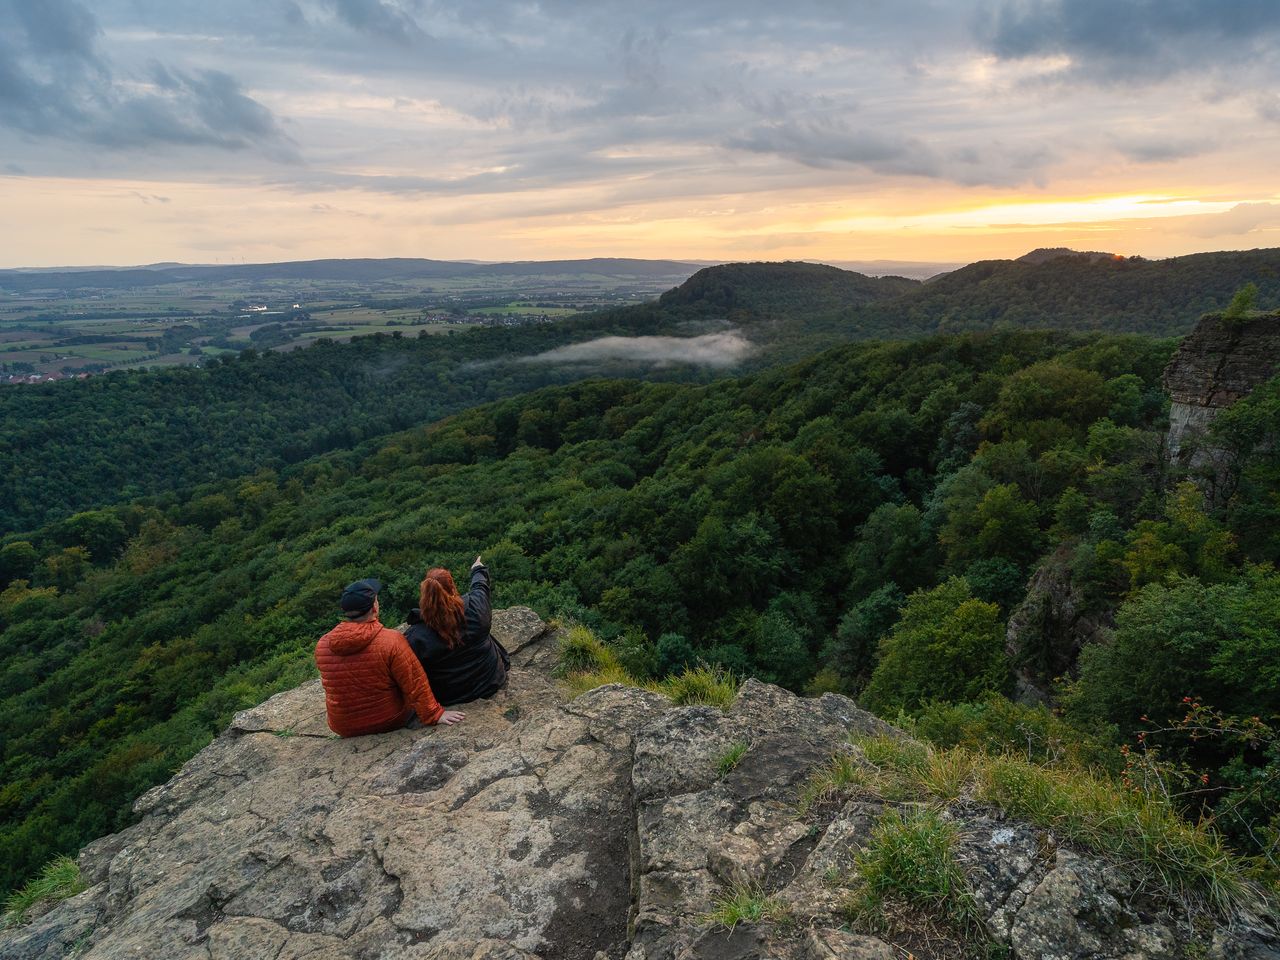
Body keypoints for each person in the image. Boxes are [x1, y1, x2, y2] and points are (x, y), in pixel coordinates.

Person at [315, 577, 464, 736]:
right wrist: (435, 714)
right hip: (389, 720)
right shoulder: (391, 640)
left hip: (343, 727)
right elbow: (414, 682)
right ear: (374, 608)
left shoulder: (323, 644)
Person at [405, 555, 509, 705]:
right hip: (490, 680)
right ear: (453, 588)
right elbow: (480, 586)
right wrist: (477, 568)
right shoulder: (475, 606)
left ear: (425, 596)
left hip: (451, 696)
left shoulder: (416, 636)